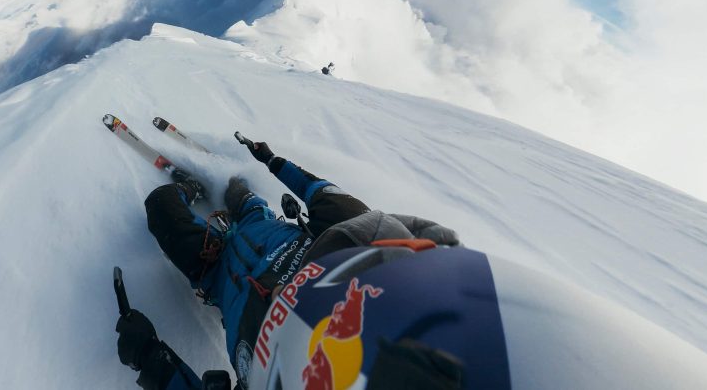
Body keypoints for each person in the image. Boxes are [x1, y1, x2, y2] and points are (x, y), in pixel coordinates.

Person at [115, 136, 460, 389]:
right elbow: (319, 191)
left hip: (215, 270)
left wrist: (148, 354)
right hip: (257, 223)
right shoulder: (364, 245)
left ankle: (192, 190)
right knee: (237, 190)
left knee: (162, 207)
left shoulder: (293, 377)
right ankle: (212, 188)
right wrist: (272, 160)